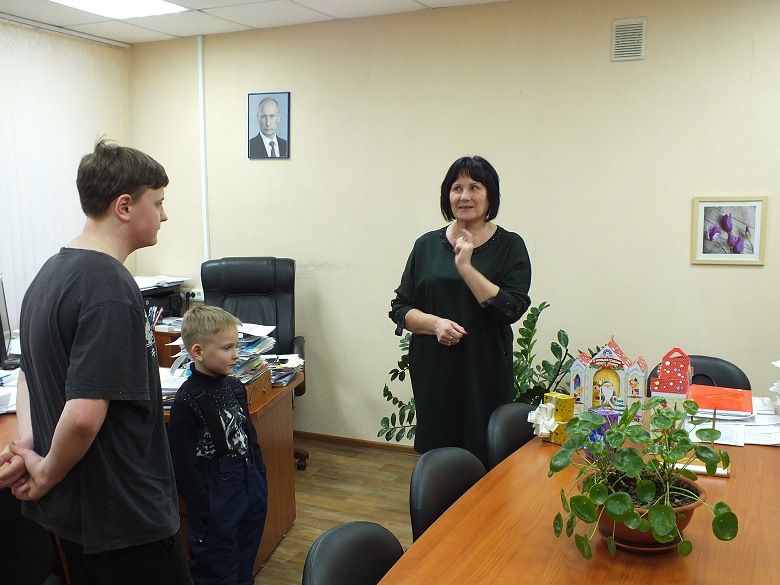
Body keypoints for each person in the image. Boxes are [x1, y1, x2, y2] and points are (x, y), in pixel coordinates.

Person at [0, 139, 192, 584]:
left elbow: (28, 376)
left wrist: (32, 446)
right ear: (124, 206)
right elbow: (84, 416)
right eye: (158, 203)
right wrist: (44, 471)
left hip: (77, 518)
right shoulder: (110, 287)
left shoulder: (48, 275)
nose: (164, 215)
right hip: (125, 519)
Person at [389, 155, 532, 465]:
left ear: (490, 195)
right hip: (435, 371)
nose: (464, 196)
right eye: (457, 188)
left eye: (474, 187)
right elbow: (400, 308)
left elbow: (512, 308)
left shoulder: (510, 245)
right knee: (440, 456)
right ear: (448, 195)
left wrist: (465, 266)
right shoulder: (426, 245)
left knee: (488, 453)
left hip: (486, 369)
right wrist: (436, 325)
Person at [167, 305, 268, 585]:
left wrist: (260, 477)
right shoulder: (187, 401)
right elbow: (182, 467)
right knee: (216, 570)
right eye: (227, 348)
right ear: (198, 352)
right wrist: (205, 507)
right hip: (216, 498)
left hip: (249, 486)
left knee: (245, 564)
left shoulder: (235, 386)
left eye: (236, 346)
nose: (236, 355)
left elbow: (250, 437)